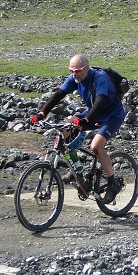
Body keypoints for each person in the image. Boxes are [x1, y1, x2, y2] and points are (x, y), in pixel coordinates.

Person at [31, 53, 126, 202]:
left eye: (78, 70)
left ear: (87, 68)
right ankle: (78, 171)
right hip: (93, 112)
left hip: (112, 115)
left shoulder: (99, 77)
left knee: (96, 146)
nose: (74, 74)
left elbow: (100, 101)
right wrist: (42, 112)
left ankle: (112, 184)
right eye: (71, 71)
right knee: (65, 130)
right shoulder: (75, 79)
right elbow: (58, 95)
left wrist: (87, 120)